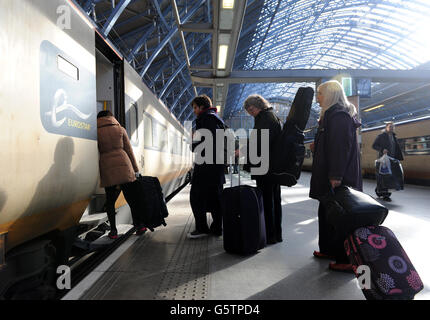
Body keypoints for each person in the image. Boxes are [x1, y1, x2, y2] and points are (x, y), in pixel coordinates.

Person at [309, 80, 362, 272]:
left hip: (338, 177)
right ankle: (330, 249)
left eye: (320, 93)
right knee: (327, 213)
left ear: (330, 94)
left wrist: (336, 175)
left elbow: (340, 149)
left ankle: (346, 258)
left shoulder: (339, 116)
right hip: (329, 176)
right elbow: (332, 145)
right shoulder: (330, 116)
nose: (317, 98)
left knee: (340, 217)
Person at [97, 110, 147, 239]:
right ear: (111, 117)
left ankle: (113, 231)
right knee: (132, 199)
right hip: (124, 164)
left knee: (110, 201)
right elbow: (129, 150)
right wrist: (136, 169)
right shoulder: (120, 129)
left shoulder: (95, 132)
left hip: (107, 166)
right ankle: (139, 225)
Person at [242, 94, 283, 244]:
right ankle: (275, 234)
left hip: (267, 168)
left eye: (251, 109)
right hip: (271, 167)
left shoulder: (266, 119)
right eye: (248, 111)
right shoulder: (269, 117)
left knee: (268, 201)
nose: (250, 113)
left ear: (259, 105)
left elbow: (261, 143)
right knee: (273, 200)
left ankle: (270, 235)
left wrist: (245, 151)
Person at [188, 95, 226, 239]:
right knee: (216, 198)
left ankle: (202, 228)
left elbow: (202, 145)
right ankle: (217, 228)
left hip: (206, 165)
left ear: (201, 107)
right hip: (216, 166)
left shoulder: (205, 120)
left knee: (196, 197)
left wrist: (193, 142)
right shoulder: (217, 120)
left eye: (195, 108)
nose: (194, 111)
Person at [372, 121, 404, 201]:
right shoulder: (381, 136)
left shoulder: (394, 137)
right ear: (386, 127)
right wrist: (382, 150)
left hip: (392, 160)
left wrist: (398, 158)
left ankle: (381, 191)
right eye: (390, 127)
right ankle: (385, 195)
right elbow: (374, 145)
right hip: (383, 160)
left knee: (390, 177)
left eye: (393, 127)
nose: (392, 128)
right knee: (384, 177)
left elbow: (396, 149)